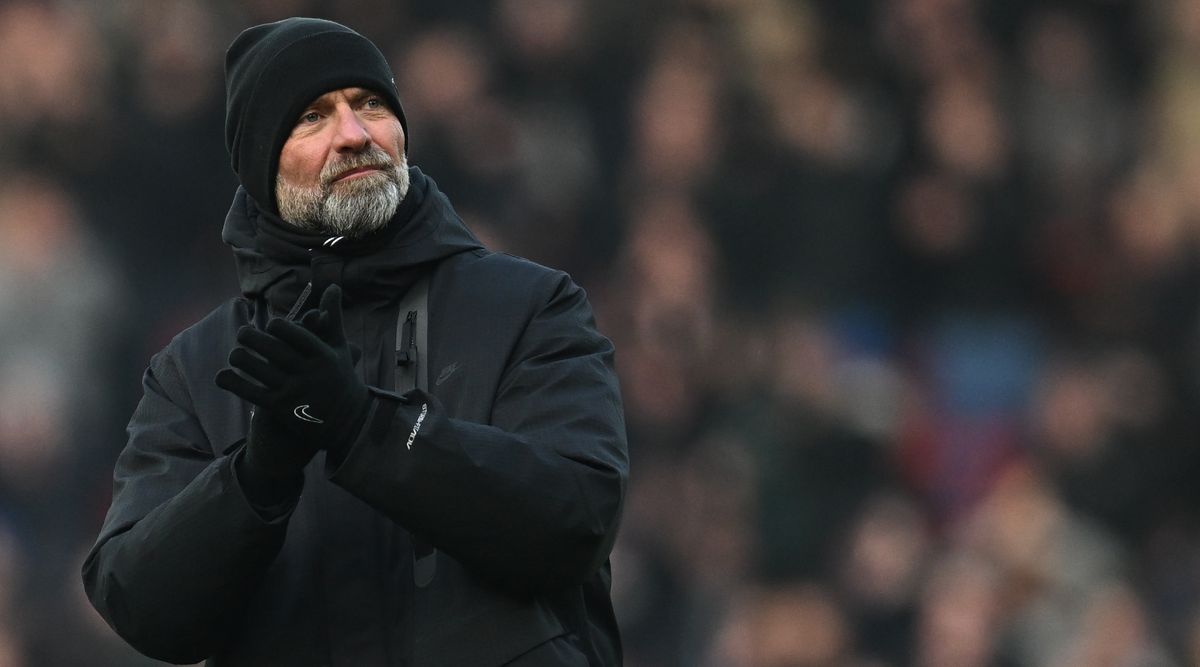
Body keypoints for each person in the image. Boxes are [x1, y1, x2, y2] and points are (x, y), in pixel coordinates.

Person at [82, 17, 628, 667]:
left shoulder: (527, 306)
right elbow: (142, 607)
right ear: (261, 164)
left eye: (370, 103)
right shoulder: (195, 369)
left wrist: (365, 427)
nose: (354, 134)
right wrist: (254, 479)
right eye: (312, 116)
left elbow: (575, 520)